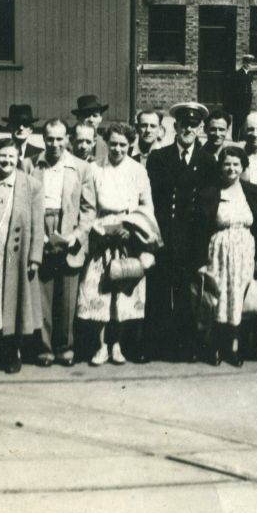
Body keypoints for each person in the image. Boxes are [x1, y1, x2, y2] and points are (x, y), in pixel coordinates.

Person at [77, 123, 157, 366]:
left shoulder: (138, 170)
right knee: (99, 291)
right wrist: (95, 231)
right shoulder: (94, 169)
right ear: (105, 143)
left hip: (128, 234)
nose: (118, 149)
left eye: (123, 144)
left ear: (130, 145)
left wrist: (131, 228)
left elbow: (146, 205)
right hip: (101, 232)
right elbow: (88, 207)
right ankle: (100, 346)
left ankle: (118, 345)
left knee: (123, 292)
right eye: (113, 144)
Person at [146, 102, 218, 361]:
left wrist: (200, 246)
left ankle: (187, 347)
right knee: (160, 292)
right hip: (164, 237)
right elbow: (153, 200)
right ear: (175, 127)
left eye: (194, 125)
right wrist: (157, 236)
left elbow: (209, 207)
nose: (188, 129)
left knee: (189, 296)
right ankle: (155, 347)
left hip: (191, 241)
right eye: (183, 124)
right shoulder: (159, 158)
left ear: (201, 129)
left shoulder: (208, 162)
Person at [23, 118, 95, 367]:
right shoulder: (30, 165)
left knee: (66, 296)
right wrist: (37, 235)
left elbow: (88, 209)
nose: (55, 144)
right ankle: (44, 348)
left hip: (68, 233)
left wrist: (76, 235)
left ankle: (65, 347)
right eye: (50, 139)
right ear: (43, 139)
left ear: (67, 139)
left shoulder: (81, 168)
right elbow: (24, 204)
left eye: (60, 139)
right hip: (41, 229)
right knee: (42, 295)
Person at [198, 146, 257, 366]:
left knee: (239, 298)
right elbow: (200, 227)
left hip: (245, 250)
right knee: (217, 297)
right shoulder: (209, 192)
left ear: (243, 167)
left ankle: (234, 347)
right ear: (220, 166)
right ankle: (214, 345)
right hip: (218, 251)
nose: (231, 168)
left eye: (236, 164)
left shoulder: (253, 192)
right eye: (227, 163)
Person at [0, 137, 45, 373]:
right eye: (2, 155)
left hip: (17, 253)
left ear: (18, 158)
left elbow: (38, 224)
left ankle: (13, 352)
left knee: (16, 301)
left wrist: (35, 257)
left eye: (11, 155)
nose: (7, 160)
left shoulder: (32, 185)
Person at [225, 53, 254, 141]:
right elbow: (234, 89)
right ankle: (235, 137)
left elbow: (250, 87)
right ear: (243, 63)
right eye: (247, 63)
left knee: (244, 119)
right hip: (238, 101)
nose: (249, 65)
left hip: (246, 100)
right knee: (237, 119)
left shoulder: (250, 74)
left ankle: (242, 136)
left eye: (250, 63)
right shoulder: (238, 74)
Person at [72, 94, 109, 162]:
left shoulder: (106, 144)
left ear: (100, 118)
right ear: (78, 118)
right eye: (86, 115)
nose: (91, 120)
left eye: (95, 116)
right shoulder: (67, 142)